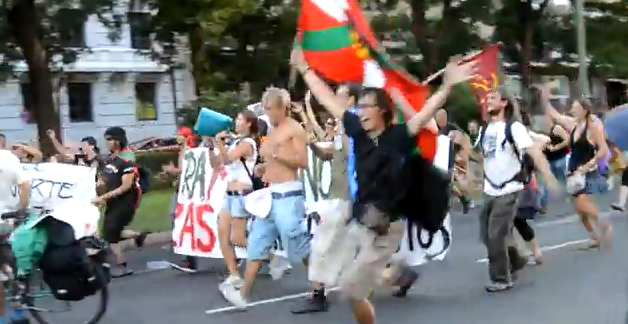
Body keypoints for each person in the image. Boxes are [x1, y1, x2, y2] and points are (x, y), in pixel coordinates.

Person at [293, 43, 476, 323]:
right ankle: (393, 275)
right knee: (352, 288)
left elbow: (427, 111)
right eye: (360, 106)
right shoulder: (357, 132)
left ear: (381, 111)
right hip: (363, 221)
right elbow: (327, 99)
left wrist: (448, 86)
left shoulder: (400, 136)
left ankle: (392, 275)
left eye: (367, 106)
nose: (360, 111)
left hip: (387, 228)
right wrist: (306, 70)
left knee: (353, 289)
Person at [220, 86, 328, 314]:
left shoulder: (294, 129)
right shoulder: (271, 131)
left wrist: (276, 156)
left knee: (296, 242)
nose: (267, 114)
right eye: (266, 109)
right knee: (257, 242)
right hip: (270, 195)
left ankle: (318, 290)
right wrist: (263, 167)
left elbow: (302, 162)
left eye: (270, 109)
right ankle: (242, 295)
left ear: (282, 108)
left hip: (289, 194)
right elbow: (271, 161)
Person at [478, 87, 559, 292]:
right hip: (490, 190)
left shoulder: (514, 128)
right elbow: (485, 157)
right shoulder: (484, 129)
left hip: (510, 188)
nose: (488, 101)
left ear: (504, 102)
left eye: (493, 98)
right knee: (486, 235)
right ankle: (516, 259)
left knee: (496, 234)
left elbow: (533, 151)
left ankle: (501, 278)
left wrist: (548, 175)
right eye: (487, 98)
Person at [538, 85, 613, 250]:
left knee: (583, 205)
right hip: (573, 172)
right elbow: (554, 114)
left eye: (575, 108)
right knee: (581, 213)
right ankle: (595, 237)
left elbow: (603, 150)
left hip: (587, 172)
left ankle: (604, 224)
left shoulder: (592, 127)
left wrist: (587, 166)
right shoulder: (573, 125)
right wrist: (544, 97)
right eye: (572, 107)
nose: (572, 110)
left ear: (585, 110)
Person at [92, 127, 147, 277]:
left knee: (110, 232)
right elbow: (107, 175)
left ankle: (123, 267)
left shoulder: (128, 159)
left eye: (110, 139)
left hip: (126, 200)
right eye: (106, 140)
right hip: (112, 199)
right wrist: (101, 185)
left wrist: (103, 197)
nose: (108, 143)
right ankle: (137, 235)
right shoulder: (112, 157)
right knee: (109, 232)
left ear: (118, 140)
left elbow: (125, 186)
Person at [214, 110, 260, 292]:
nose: (236, 122)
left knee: (238, 238)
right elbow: (218, 163)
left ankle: (265, 252)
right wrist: (214, 145)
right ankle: (234, 275)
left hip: (242, 194)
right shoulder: (235, 142)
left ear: (249, 123)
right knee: (223, 235)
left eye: (240, 119)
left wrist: (220, 143)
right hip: (229, 195)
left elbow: (229, 158)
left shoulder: (248, 143)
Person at [0, 149, 32, 324]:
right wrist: (22, 208)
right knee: (14, 263)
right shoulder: (7, 157)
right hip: (6, 219)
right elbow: (25, 185)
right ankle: (19, 312)